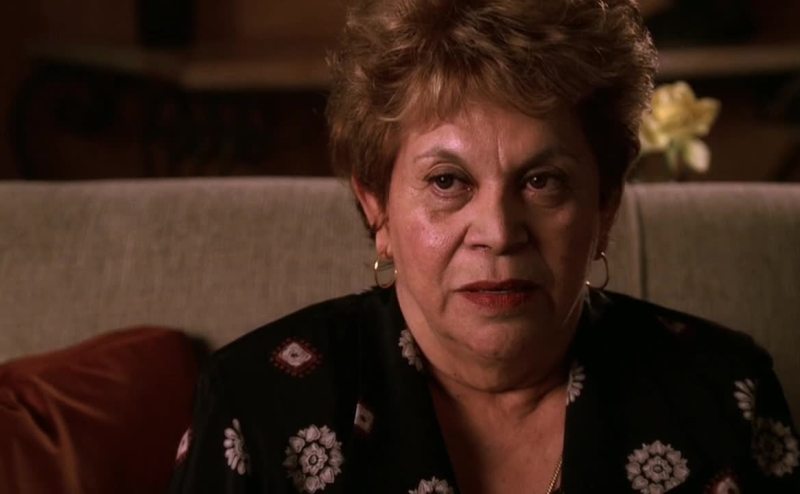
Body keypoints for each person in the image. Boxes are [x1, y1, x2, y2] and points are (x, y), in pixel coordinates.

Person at [169, 1, 800, 492]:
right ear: (376, 205)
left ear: (605, 204)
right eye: (448, 182)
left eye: (542, 181)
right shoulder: (255, 407)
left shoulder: (726, 396)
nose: (498, 231)